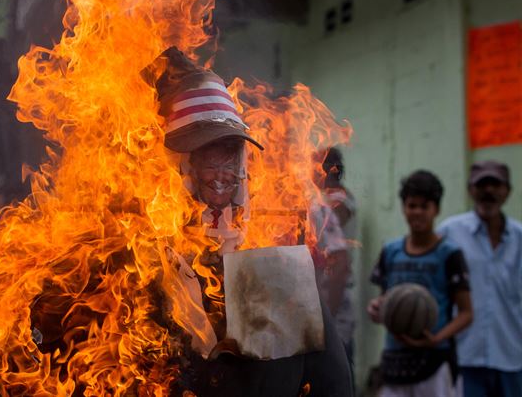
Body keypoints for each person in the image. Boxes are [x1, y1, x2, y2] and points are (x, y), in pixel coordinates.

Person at [146, 47, 354, 397]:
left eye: (229, 156)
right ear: (182, 165)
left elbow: (332, 381)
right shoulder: (144, 263)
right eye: (207, 158)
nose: (220, 175)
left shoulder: (274, 268)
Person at [367, 170, 473, 396]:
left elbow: (467, 313)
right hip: (394, 361)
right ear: (404, 207)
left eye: (424, 206)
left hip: (434, 363)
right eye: (411, 205)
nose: (417, 212)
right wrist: (377, 308)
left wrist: (436, 339)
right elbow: (385, 300)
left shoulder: (450, 254)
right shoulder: (390, 251)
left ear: (437, 209)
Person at [437, 160, 522, 397]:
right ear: (470, 190)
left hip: (512, 355)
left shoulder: (520, 237)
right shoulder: (450, 231)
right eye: (482, 184)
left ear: (508, 191)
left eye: (496, 184)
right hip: (466, 355)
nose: (489, 191)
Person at [315, 147, 356, 362]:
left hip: (334, 293)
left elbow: (338, 260)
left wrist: (327, 319)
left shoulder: (336, 200)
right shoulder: (330, 199)